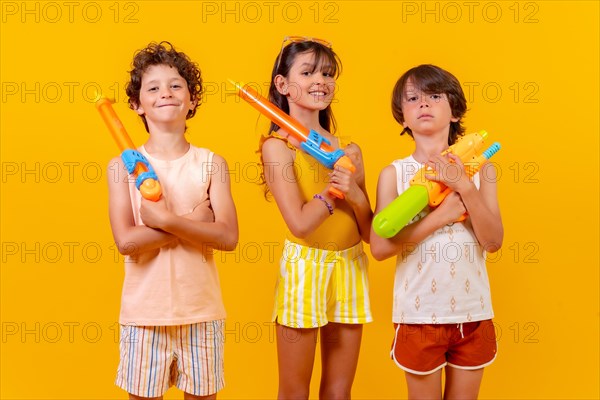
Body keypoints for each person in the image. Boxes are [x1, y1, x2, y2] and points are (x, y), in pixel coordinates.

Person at [107, 41, 238, 400]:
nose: (166, 93)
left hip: (202, 313)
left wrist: (165, 221)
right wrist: (192, 221)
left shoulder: (213, 163)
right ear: (136, 104)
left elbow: (227, 237)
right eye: (153, 88)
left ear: (192, 99)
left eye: (176, 85)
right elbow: (128, 243)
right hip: (143, 317)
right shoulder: (122, 167)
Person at [370, 64, 503, 399]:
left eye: (434, 96)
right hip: (418, 315)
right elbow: (380, 248)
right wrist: (441, 215)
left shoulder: (481, 172)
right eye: (413, 99)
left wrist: (465, 189)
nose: (424, 104)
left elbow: (493, 241)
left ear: (455, 111)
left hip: (473, 313)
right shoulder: (393, 175)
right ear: (402, 118)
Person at [257, 36, 373, 399]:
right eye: (307, 72)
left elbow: (369, 228)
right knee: (294, 391)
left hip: (351, 266)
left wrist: (354, 189)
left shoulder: (348, 149)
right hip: (306, 268)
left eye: (327, 73)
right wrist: (333, 191)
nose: (320, 80)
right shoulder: (277, 148)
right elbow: (301, 224)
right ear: (282, 85)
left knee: (339, 391)